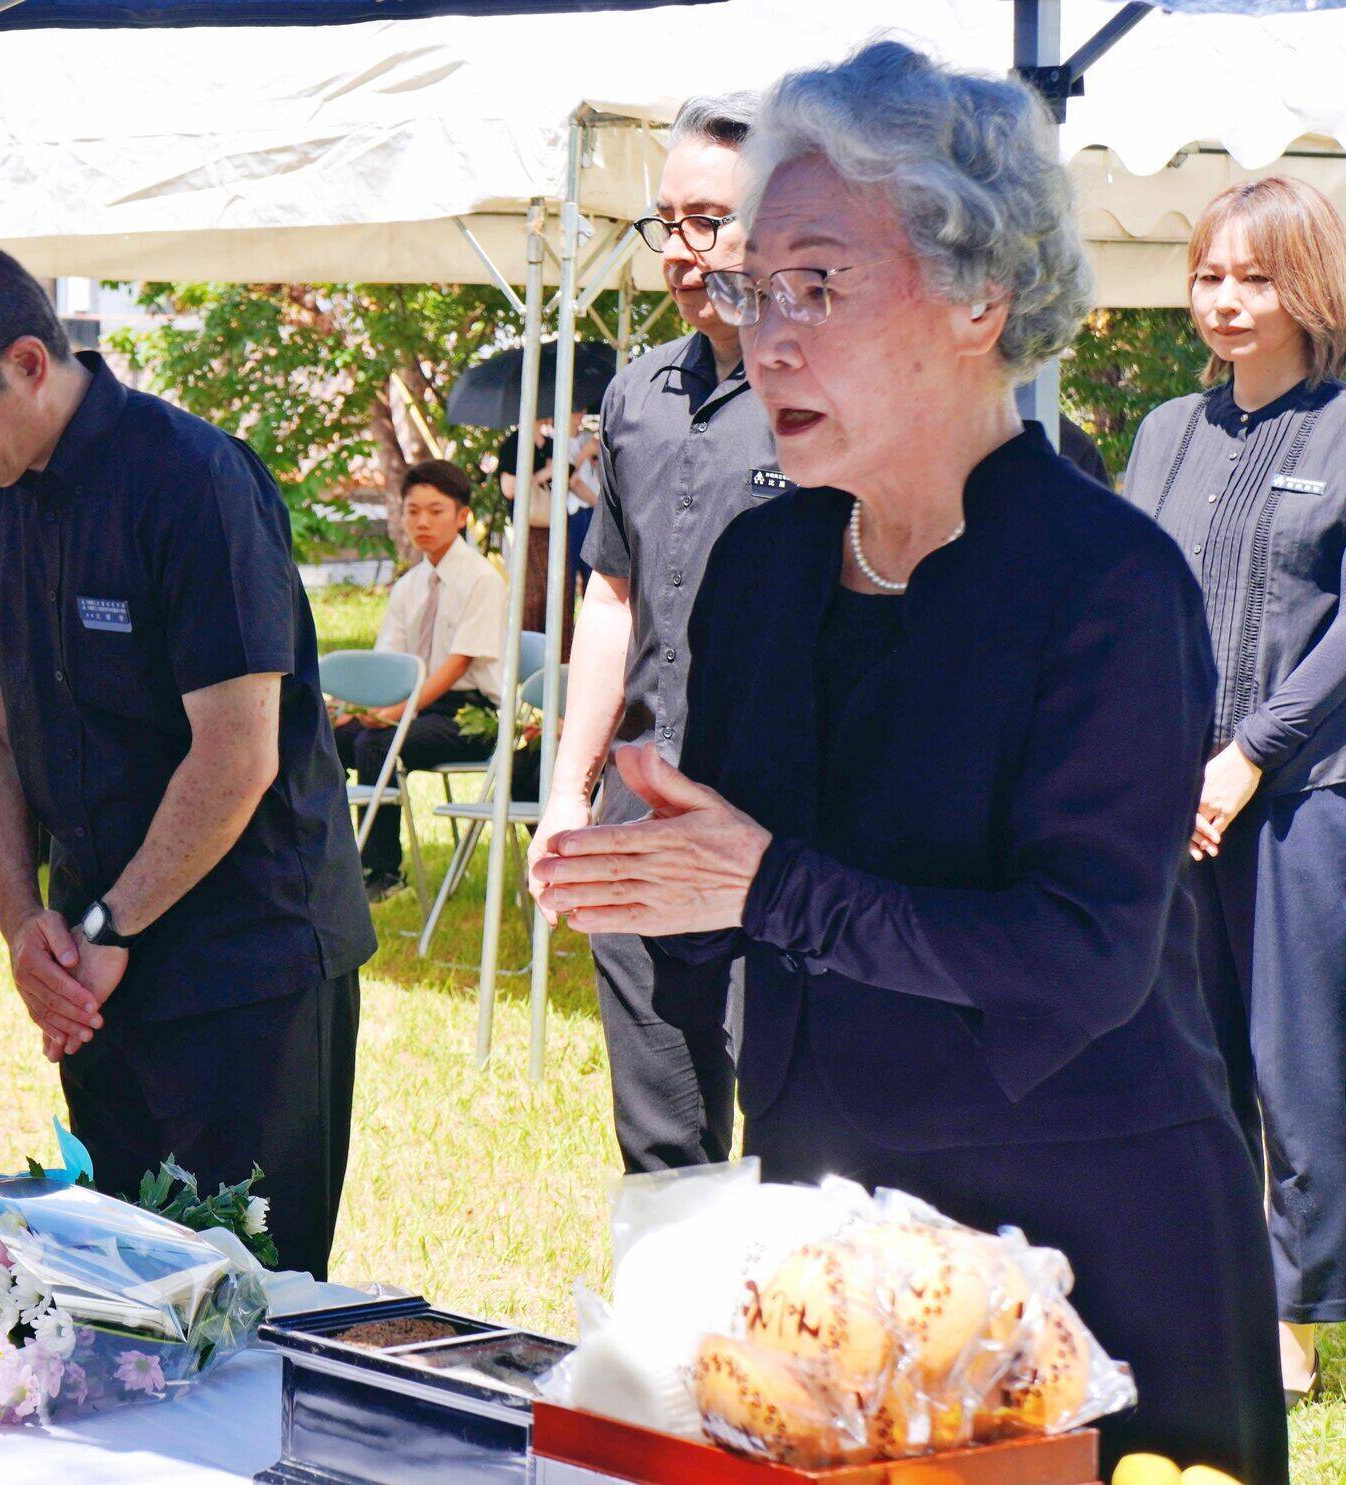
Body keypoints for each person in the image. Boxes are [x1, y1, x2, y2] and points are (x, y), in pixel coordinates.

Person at [532, 45, 1287, 1480]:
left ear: (976, 297)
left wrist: (765, 886)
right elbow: (739, 898)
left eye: (817, 286)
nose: (766, 338)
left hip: (1090, 1254)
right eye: (757, 289)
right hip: (836, 1231)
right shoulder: (764, 565)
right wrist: (655, 879)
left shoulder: (1109, 584)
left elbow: (1081, 959)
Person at [0, 240, 376, 1279]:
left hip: (246, 962)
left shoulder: (193, 482)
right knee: (116, 1292)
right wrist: (25, 927)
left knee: (246, 1293)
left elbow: (236, 755)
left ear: (27, 364)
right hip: (92, 969)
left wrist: (107, 928)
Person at [529, 91, 790, 1174]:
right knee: (662, 1151)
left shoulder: (828, 392)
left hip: (777, 832)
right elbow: (611, 599)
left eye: (709, 221)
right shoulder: (635, 396)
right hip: (637, 820)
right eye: (665, 223)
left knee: (795, 1146)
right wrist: (567, 791)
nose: (681, 251)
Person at [1121, 175, 1346, 1406]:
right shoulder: (1166, 430)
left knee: (1292, 1060)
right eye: (1208, 275)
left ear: (1307, 285)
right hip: (1172, 791)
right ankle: (1203, 1277)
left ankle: (1292, 1318)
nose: (1225, 300)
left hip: (1306, 790)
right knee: (1185, 1049)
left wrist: (1253, 750)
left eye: (1255, 277)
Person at [334, 459, 505, 901]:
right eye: (413, 511)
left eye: (435, 511)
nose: (422, 522)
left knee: (377, 744)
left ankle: (383, 873)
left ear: (462, 516)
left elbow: (457, 664)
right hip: (414, 706)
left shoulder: (482, 579)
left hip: (471, 713)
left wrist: (394, 713)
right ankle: (324, 861)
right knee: (330, 738)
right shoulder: (410, 585)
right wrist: (355, 707)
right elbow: (388, 663)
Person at [498, 419, 572, 654]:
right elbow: (509, 489)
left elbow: (570, 478)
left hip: (556, 528)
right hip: (528, 529)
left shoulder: (552, 444)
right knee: (532, 595)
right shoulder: (515, 443)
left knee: (560, 594)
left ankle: (561, 658)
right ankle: (530, 656)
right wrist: (543, 474)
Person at [565, 410, 601, 596]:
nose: (580, 414)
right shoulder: (558, 441)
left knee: (593, 572)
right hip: (575, 512)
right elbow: (570, 481)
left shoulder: (587, 437)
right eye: (575, 410)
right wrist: (583, 454)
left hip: (593, 511)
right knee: (570, 572)